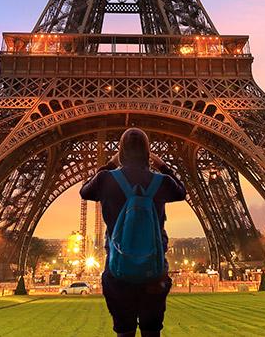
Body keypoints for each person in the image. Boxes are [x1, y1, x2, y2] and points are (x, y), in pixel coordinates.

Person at [80, 128, 187, 337]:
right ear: (148, 153)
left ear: (121, 152)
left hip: (118, 268)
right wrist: (163, 166)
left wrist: (110, 164)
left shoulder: (106, 179)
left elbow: (85, 191)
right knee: (151, 330)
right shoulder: (161, 182)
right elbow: (181, 191)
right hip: (153, 272)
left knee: (124, 330)